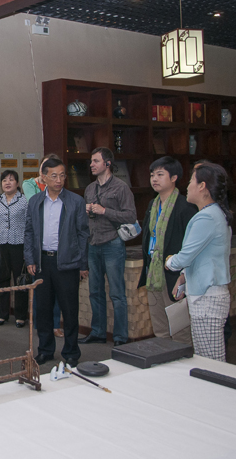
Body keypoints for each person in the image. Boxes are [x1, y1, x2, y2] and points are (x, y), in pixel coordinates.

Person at [24, 157, 89, 367]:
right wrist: (30, 258)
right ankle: (45, 350)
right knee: (43, 309)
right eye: (54, 176)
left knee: (69, 309)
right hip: (42, 262)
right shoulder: (35, 201)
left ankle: (71, 352)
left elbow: (83, 234)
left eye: (62, 175)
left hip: (67, 262)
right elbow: (29, 231)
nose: (59, 180)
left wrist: (83, 264)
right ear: (43, 177)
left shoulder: (75, 201)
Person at [166, 161, 233, 362]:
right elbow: (201, 256)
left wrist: (169, 261)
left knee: (210, 360)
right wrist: (184, 276)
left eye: (191, 181)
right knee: (208, 357)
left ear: (202, 186)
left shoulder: (207, 217)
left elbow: (184, 256)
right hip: (207, 296)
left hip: (207, 299)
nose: (187, 186)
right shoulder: (214, 213)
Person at [137, 157, 197, 345]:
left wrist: (183, 275)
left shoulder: (185, 206)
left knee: (180, 329)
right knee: (160, 328)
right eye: (152, 175)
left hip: (174, 275)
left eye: (160, 174)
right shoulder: (152, 205)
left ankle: (183, 361)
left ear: (174, 177)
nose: (154, 179)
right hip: (154, 273)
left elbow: (190, 245)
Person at [80, 147, 136, 347]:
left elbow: (131, 216)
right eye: (91, 161)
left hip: (113, 244)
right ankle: (98, 332)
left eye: (96, 161)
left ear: (108, 163)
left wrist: (105, 211)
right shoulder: (89, 189)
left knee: (117, 293)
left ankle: (120, 337)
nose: (91, 165)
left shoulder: (121, 188)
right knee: (94, 292)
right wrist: (86, 210)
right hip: (93, 244)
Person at [21, 153, 64, 336]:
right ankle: (40, 327)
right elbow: (36, 203)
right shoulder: (29, 184)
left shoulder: (64, 195)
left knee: (58, 292)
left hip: (58, 251)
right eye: (46, 168)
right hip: (39, 251)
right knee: (40, 292)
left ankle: (55, 325)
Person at [0, 169, 29, 328]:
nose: (7, 183)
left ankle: (20, 316)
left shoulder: (24, 200)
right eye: (4, 180)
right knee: (3, 281)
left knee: (20, 281)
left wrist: (28, 248)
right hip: (1, 245)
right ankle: (2, 314)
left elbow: (29, 225)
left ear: (17, 183)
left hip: (19, 245)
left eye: (11, 180)